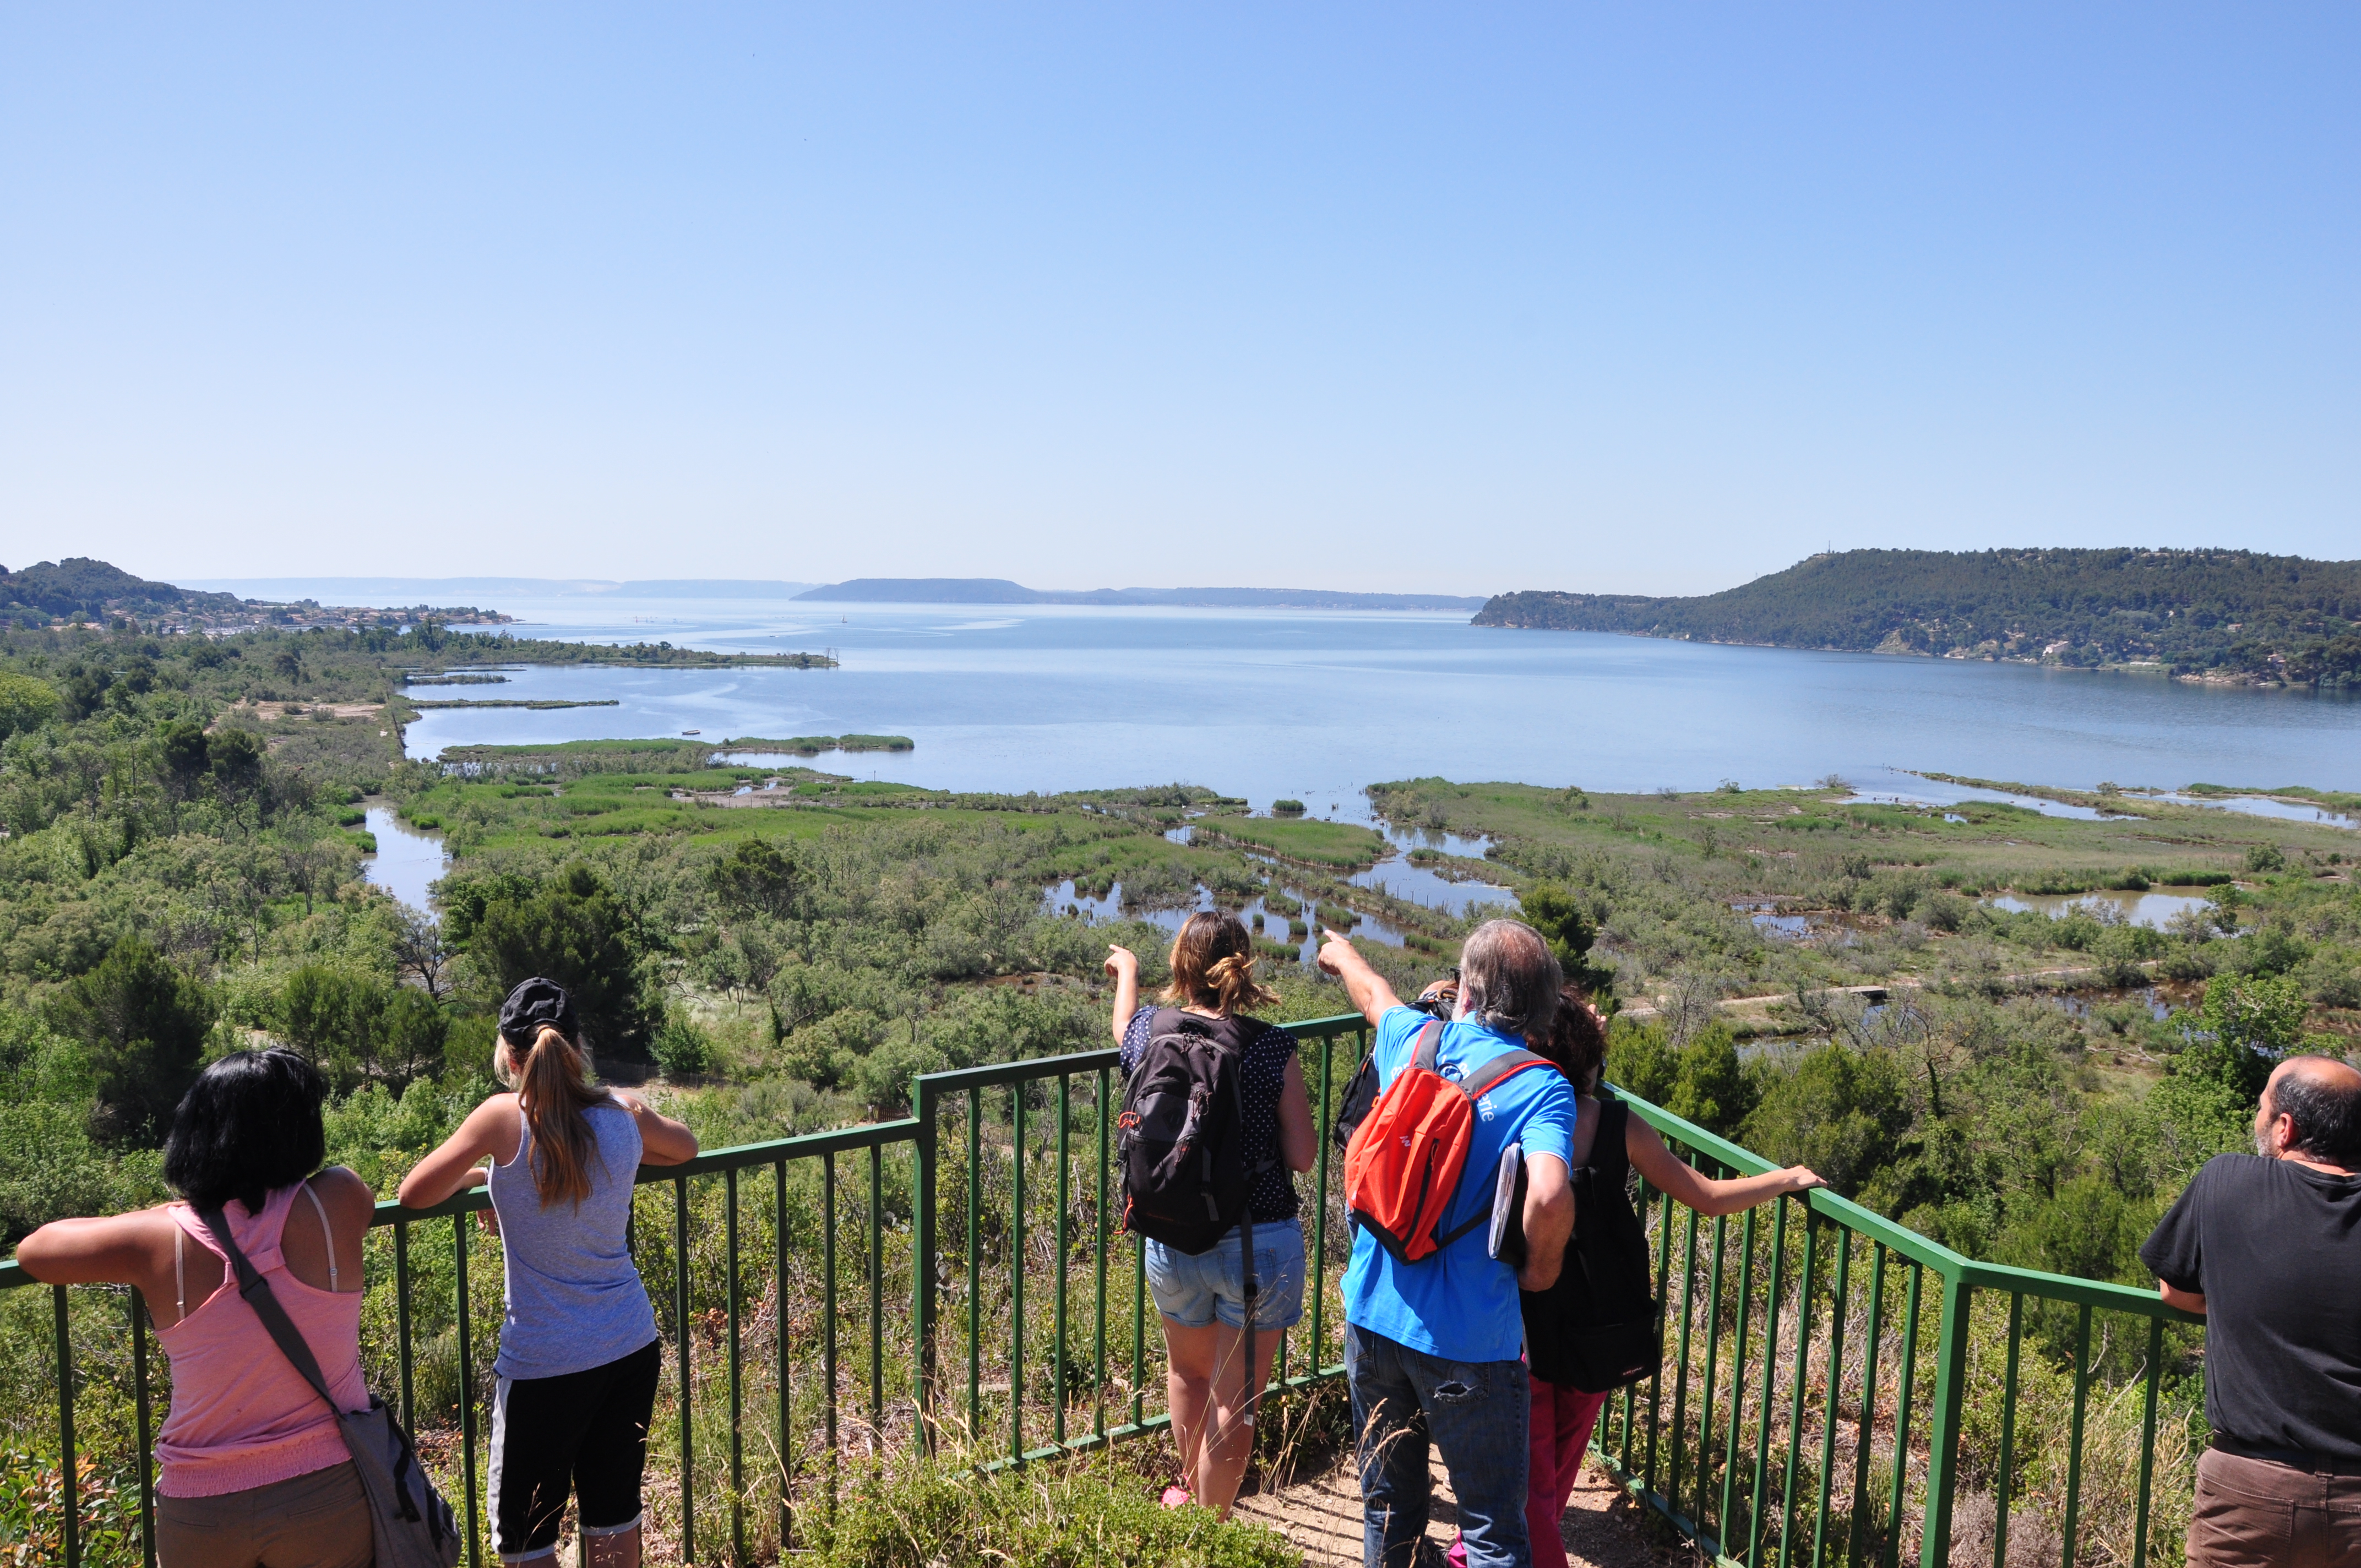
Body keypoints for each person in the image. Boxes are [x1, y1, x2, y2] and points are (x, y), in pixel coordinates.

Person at [1447, 984, 1824, 1568]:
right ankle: (1485, 1552)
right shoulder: (1618, 1125)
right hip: (1597, 1327)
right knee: (1550, 1481)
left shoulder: (1502, 1110)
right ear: (1590, 1058)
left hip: (1514, 1323)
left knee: (1529, 1486)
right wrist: (1783, 1178)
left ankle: (1475, 1552)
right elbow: (1706, 1197)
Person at [15, 1049, 378, 1568]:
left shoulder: (159, 1237)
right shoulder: (338, 1199)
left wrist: (159, 1217)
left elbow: (35, 1250)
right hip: (327, 1487)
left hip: (204, 1504)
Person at [399, 978, 699, 1568]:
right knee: (614, 1514)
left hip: (545, 1362)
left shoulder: (501, 1119)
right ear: (577, 1048)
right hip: (629, 1344)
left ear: (511, 1058)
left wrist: (484, 1177)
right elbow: (684, 1147)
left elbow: (414, 1193)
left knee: (527, 1538)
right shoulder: (623, 1112)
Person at [1318, 917, 1580, 1568]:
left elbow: (1373, 994)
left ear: (1465, 988)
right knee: (1492, 1528)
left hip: (1373, 1317)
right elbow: (1550, 1194)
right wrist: (1540, 1271)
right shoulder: (1543, 1086)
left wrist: (1342, 954)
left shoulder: (1415, 1037)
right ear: (1542, 1008)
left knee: (1389, 1507)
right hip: (1472, 1344)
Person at [1106, 912, 1317, 1519]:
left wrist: (1128, 971)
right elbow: (1303, 1156)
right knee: (1235, 1400)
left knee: (1187, 1375)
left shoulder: (1151, 1030)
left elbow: (1123, 1027)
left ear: (1181, 965)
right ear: (1241, 967)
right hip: (1256, 1241)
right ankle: (1211, 1529)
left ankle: (1189, 1511)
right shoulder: (1269, 1045)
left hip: (1173, 1236)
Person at [2140, 1053, 2361, 1568]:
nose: (2255, 1117)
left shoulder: (2228, 1180)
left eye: (2261, 1106)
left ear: (2286, 1128)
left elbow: (2176, 1292)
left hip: (2252, 1493)